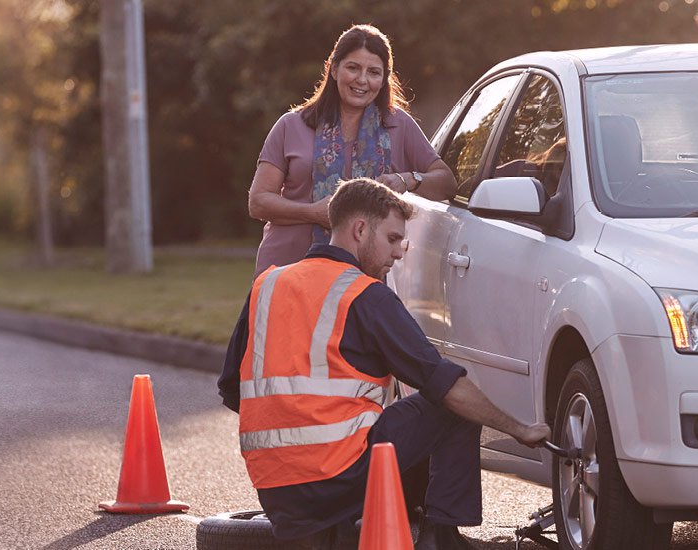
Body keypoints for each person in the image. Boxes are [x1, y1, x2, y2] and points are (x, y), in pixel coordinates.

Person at [219, 178, 550, 550]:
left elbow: (233, 390)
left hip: (275, 489)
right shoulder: (365, 295)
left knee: (400, 418)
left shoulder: (268, 284)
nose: (398, 253)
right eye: (393, 239)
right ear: (359, 229)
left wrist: (294, 442)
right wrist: (519, 428)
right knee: (454, 403)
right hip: (340, 475)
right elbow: (443, 384)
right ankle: (441, 539)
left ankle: (343, 519)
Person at [248, 24, 457, 277]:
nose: (362, 80)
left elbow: (446, 182)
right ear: (334, 69)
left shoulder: (398, 125)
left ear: (384, 79)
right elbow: (258, 202)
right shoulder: (292, 125)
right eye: (353, 67)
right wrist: (311, 212)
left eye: (373, 72)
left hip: (362, 277)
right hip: (286, 269)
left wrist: (407, 180)